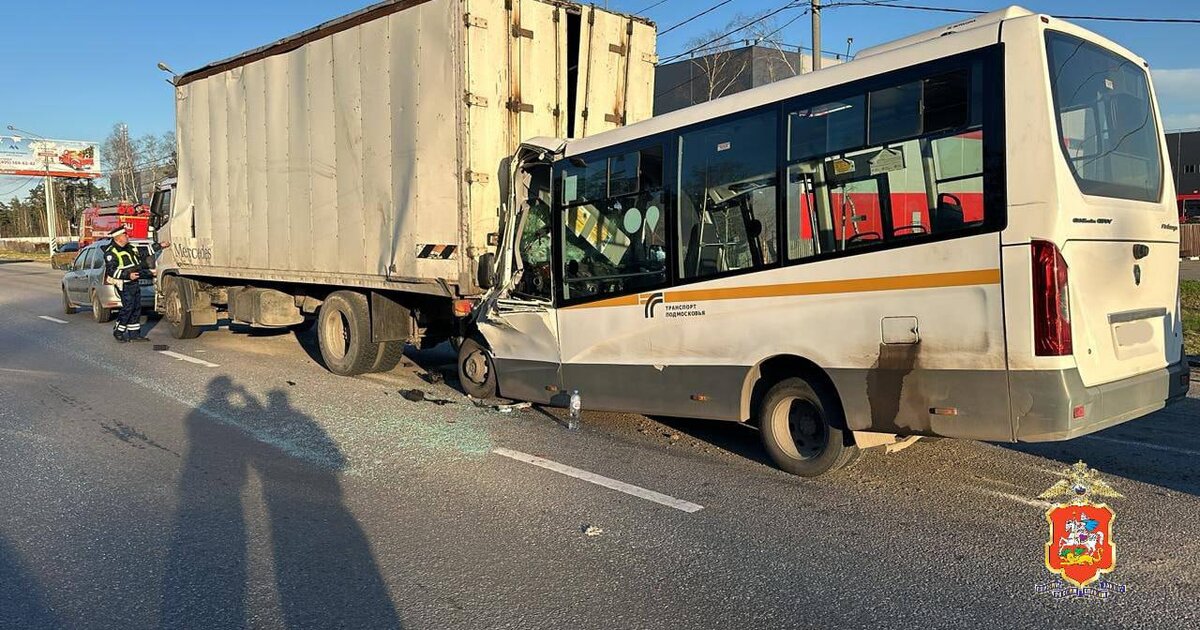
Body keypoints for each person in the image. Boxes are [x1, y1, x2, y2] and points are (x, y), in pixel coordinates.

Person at [103, 226, 168, 342]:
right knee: (128, 308)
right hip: (124, 283)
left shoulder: (130, 248)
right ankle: (118, 331)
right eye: (125, 235)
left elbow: (144, 252)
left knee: (136, 308)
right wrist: (128, 275)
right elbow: (111, 271)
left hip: (134, 282)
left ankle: (134, 334)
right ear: (118, 238)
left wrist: (160, 246)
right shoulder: (111, 252)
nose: (127, 236)